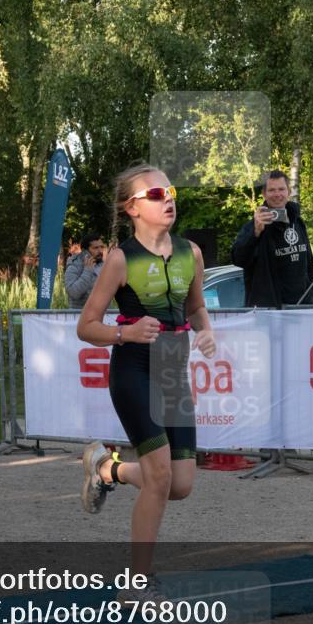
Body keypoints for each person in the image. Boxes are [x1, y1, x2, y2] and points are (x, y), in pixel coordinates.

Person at [76, 164, 216, 601]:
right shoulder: (121, 259)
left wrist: (206, 330)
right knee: (158, 476)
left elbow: (195, 308)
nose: (168, 198)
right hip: (134, 371)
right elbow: (86, 326)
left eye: (170, 191)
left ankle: (107, 468)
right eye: (155, 194)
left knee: (181, 484)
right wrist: (125, 333)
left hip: (173, 373)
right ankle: (137, 584)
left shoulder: (191, 253)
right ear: (131, 208)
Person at [231, 169, 313, 308]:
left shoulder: (298, 222)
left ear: (289, 191)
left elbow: (309, 267)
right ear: (264, 194)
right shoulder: (254, 227)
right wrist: (255, 232)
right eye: (272, 190)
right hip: (271, 312)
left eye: (281, 189)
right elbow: (238, 259)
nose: (277, 194)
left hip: (304, 308)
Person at [65, 233, 106, 309]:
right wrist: (87, 271)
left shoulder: (105, 265)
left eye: (101, 247)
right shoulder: (74, 266)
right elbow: (74, 293)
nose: (100, 251)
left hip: (104, 313)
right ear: (84, 251)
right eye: (96, 248)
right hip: (80, 314)